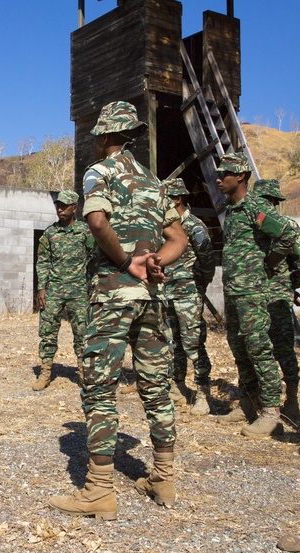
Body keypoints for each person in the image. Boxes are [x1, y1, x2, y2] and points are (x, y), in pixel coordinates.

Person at [49, 101, 187, 519]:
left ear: (107, 136)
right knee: (156, 387)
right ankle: (163, 479)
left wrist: (128, 263)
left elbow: (96, 222)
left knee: (100, 389)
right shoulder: (153, 181)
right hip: (150, 299)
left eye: (96, 135)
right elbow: (178, 237)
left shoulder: (101, 172)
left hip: (112, 296)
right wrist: (155, 262)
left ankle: (99, 491)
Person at [214, 157, 296, 438]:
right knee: (239, 347)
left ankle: (271, 412)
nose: (218, 178)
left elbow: (286, 236)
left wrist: (268, 264)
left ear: (241, 176)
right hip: (234, 291)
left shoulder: (255, 207)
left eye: (224, 173)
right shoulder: (231, 210)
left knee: (259, 348)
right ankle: (248, 402)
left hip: (252, 293)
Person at [250, 179, 300, 421]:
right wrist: (290, 284)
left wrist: (288, 285)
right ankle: (284, 401)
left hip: (265, 297)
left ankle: (278, 401)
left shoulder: (264, 225)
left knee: (266, 349)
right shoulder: (279, 225)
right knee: (274, 350)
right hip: (268, 297)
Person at [160, 178, 216, 415]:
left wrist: (200, 285)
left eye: (166, 200)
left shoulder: (194, 226)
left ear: (177, 199)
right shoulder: (166, 227)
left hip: (189, 293)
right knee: (173, 343)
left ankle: (203, 393)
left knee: (193, 343)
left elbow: (207, 260)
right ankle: (179, 386)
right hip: (168, 293)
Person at [33, 189, 93, 391]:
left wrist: (93, 286)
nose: (60, 209)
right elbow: (42, 261)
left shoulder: (85, 232)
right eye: (58, 205)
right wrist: (41, 288)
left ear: (74, 208)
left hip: (79, 291)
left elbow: (95, 258)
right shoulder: (50, 233)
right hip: (54, 290)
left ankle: (84, 373)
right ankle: (45, 372)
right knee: (48, 331)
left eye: (64, 206)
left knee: (83, 333)